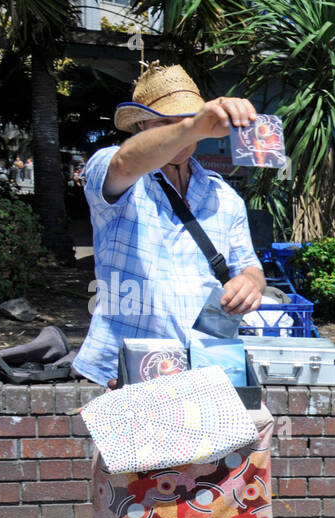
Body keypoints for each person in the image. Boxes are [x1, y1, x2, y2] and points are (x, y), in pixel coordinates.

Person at [72, 62, 265, 386]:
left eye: (188, 121)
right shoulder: (114, 167)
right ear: (143, 123)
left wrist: (250, 284)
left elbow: (249, 266)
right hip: (129, 371)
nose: (182, 133)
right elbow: (125, 162)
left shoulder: (225, 196)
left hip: (206, 367)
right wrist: (192, 126)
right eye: (166, 122)